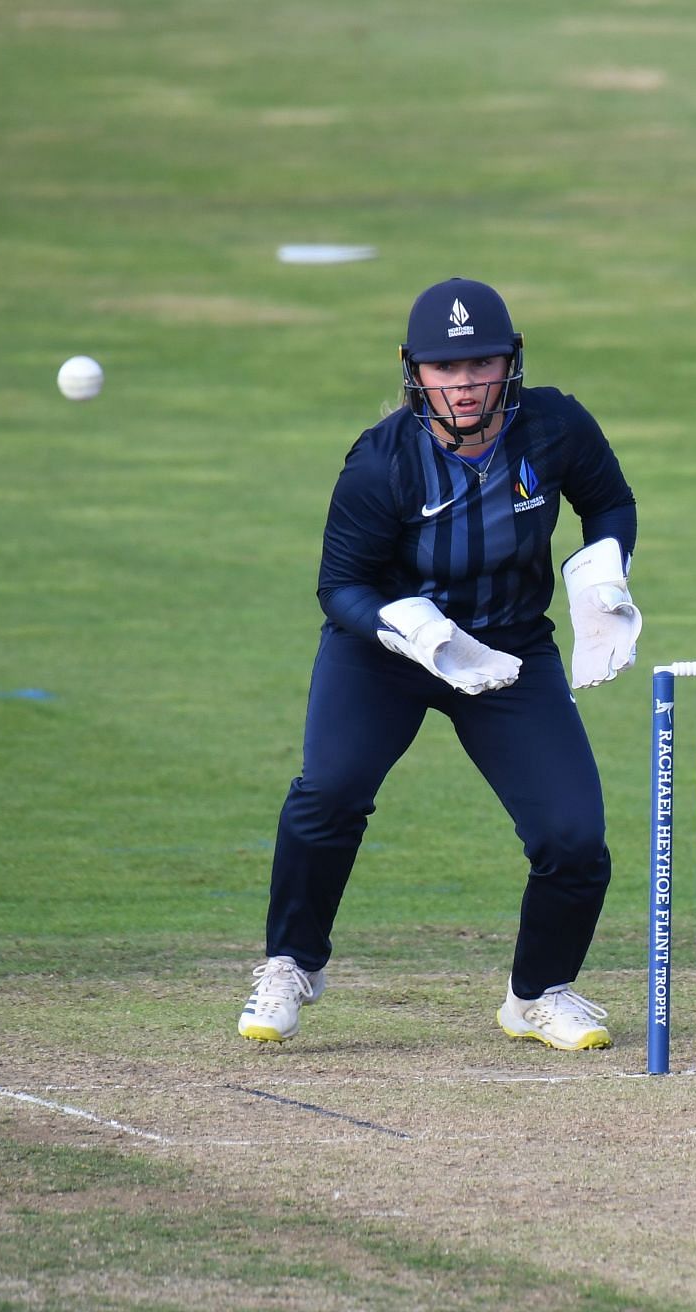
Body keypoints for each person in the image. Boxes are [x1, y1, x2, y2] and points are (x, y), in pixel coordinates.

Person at [238, 276, 643, 1052]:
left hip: (510, 650)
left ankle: (539, 995)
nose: (463, 385)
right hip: (384, 653)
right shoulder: (381, 462)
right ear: (413, 372)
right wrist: (407, 624)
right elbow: (338, 587)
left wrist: (603, 574)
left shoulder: (555, 426)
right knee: (329, 792)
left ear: (511, 363)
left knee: (574, 838)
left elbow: (609, 500)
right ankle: (291, 963)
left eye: (480, 365)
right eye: (444, 369)